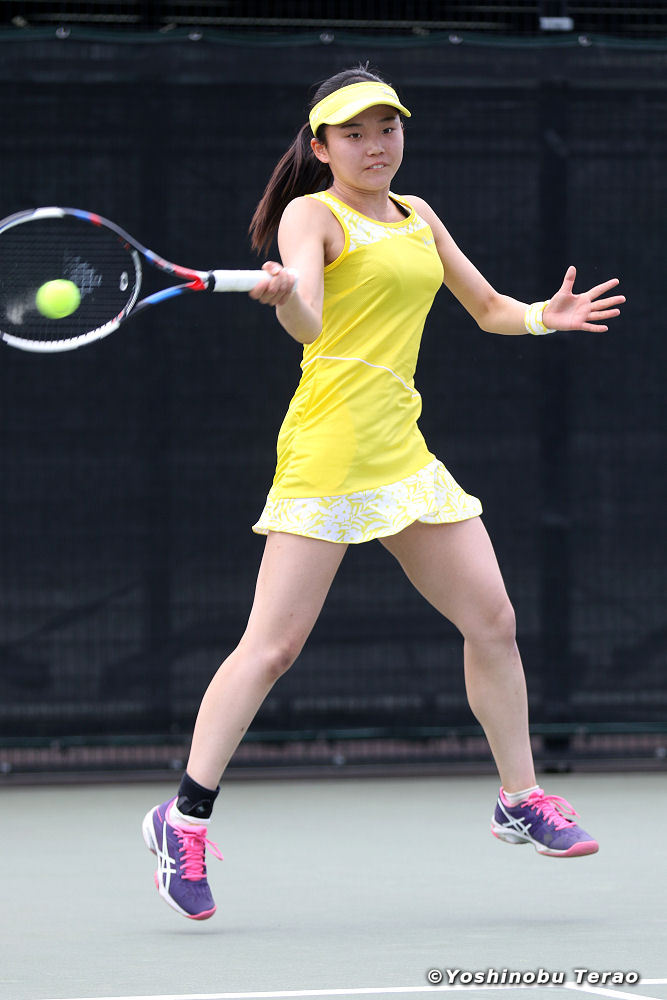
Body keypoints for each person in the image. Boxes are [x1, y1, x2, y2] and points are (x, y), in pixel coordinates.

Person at [142, 65, 624, 920]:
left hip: (401, 452)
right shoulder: (310, 214)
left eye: (387, 128)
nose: (376, 146)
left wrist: (541, 315)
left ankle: (520, 798)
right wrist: (285, 298)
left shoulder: (419, 214)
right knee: (271, 648)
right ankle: (181, 819)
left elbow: (486, 307)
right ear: (320, 146)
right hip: (328, 451)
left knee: (492, 620)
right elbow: (310, 319)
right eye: (355, 133)